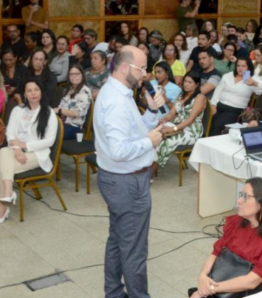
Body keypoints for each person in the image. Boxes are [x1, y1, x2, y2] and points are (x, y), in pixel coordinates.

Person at [93, 46, 167, 298]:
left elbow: (135, 132)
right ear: (125, 67)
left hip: (119, 179)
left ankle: (114, 293)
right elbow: (119, 150)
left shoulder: (121, 92)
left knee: (117, 240)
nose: (146, 74)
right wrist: (151, 142)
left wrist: (152, 111)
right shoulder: (115, 101)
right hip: (126, 183)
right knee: (134, 249)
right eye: (142, 68)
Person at [189, 178, 262, 298]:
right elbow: (216, 252)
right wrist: (203, 276)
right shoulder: (237, 222)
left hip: (252, 292)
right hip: (226, 281)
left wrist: (210, 288)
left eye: (246, 197)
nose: (239, 201)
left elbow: (251, 282)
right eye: (241, 195)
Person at [0, 78, 57, 225]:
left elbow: (49, 141)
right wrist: (18, 149)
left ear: (41, 92)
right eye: (29, 90)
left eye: (36, 90)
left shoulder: (49, 112)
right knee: (3, 153)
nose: (33, 93)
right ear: (25, 94)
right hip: (16, 151)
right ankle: (8, 193)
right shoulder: (18, 110)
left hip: (38, 154)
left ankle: (4, 206)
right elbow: (10, 133)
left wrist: (24, 145)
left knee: (2, 169)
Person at [208, 58, 262, 136]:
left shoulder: (250, 78)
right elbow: (218, 91)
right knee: (207, 120)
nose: (240, 68)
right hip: (220, 106)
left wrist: (254, 83)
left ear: (248, 67)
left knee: (217, 124)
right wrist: (213, 104)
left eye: (243, 66)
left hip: (235, 110)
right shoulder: (228, 75)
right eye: (238, 65)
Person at [54, 65, 91, 140]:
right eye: (71, 74)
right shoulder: (67, 90)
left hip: (74, 127)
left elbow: (78, 113)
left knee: (50, 135)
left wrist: (60, 110)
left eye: (77, 74)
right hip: (62, 123)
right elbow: (60, 106)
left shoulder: (85, 91)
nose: (74, 76)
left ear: (82, 75)